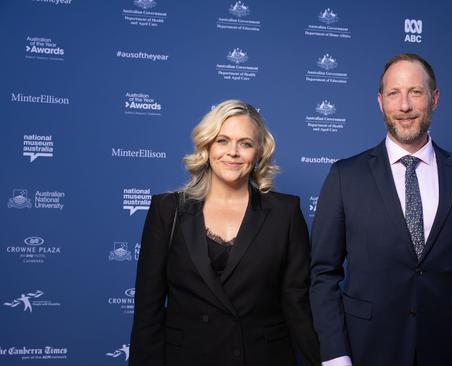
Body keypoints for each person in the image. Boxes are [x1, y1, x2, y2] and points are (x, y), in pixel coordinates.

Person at [310, 54, 452, 366]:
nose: (404, 106)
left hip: (448, 352)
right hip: (366, 351)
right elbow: (322, 274)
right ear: (380, 101)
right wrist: (336, 356)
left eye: (415, 92)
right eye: (393, 93)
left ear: (435, 99)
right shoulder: (345, 176)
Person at [129, 100, 320, 366]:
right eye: (222, 140)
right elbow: (147, 315)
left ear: (259, 152)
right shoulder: (167, 210)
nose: (233, 152)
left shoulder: (285, 213)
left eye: (245, 143)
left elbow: (297, 304)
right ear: (207, 146)